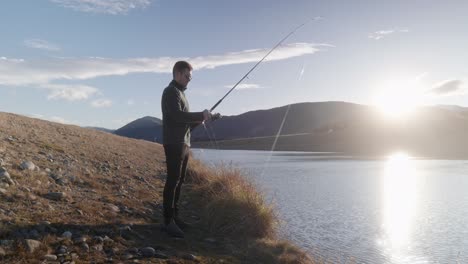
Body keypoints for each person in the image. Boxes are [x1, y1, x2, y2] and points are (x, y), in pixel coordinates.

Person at [160, 61, 220, 238]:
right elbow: (177, 116)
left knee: (180, 180)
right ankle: (167, 221)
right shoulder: (170, 92)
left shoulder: (180, 94)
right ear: (177, 73)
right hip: (174, 143)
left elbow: (185, 122)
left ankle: (175, 218)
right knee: (172, 180)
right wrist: (201, 115)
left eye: (190, 78)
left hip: (184, 143)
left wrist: (208, 118)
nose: (189, 80)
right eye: (187, 76)